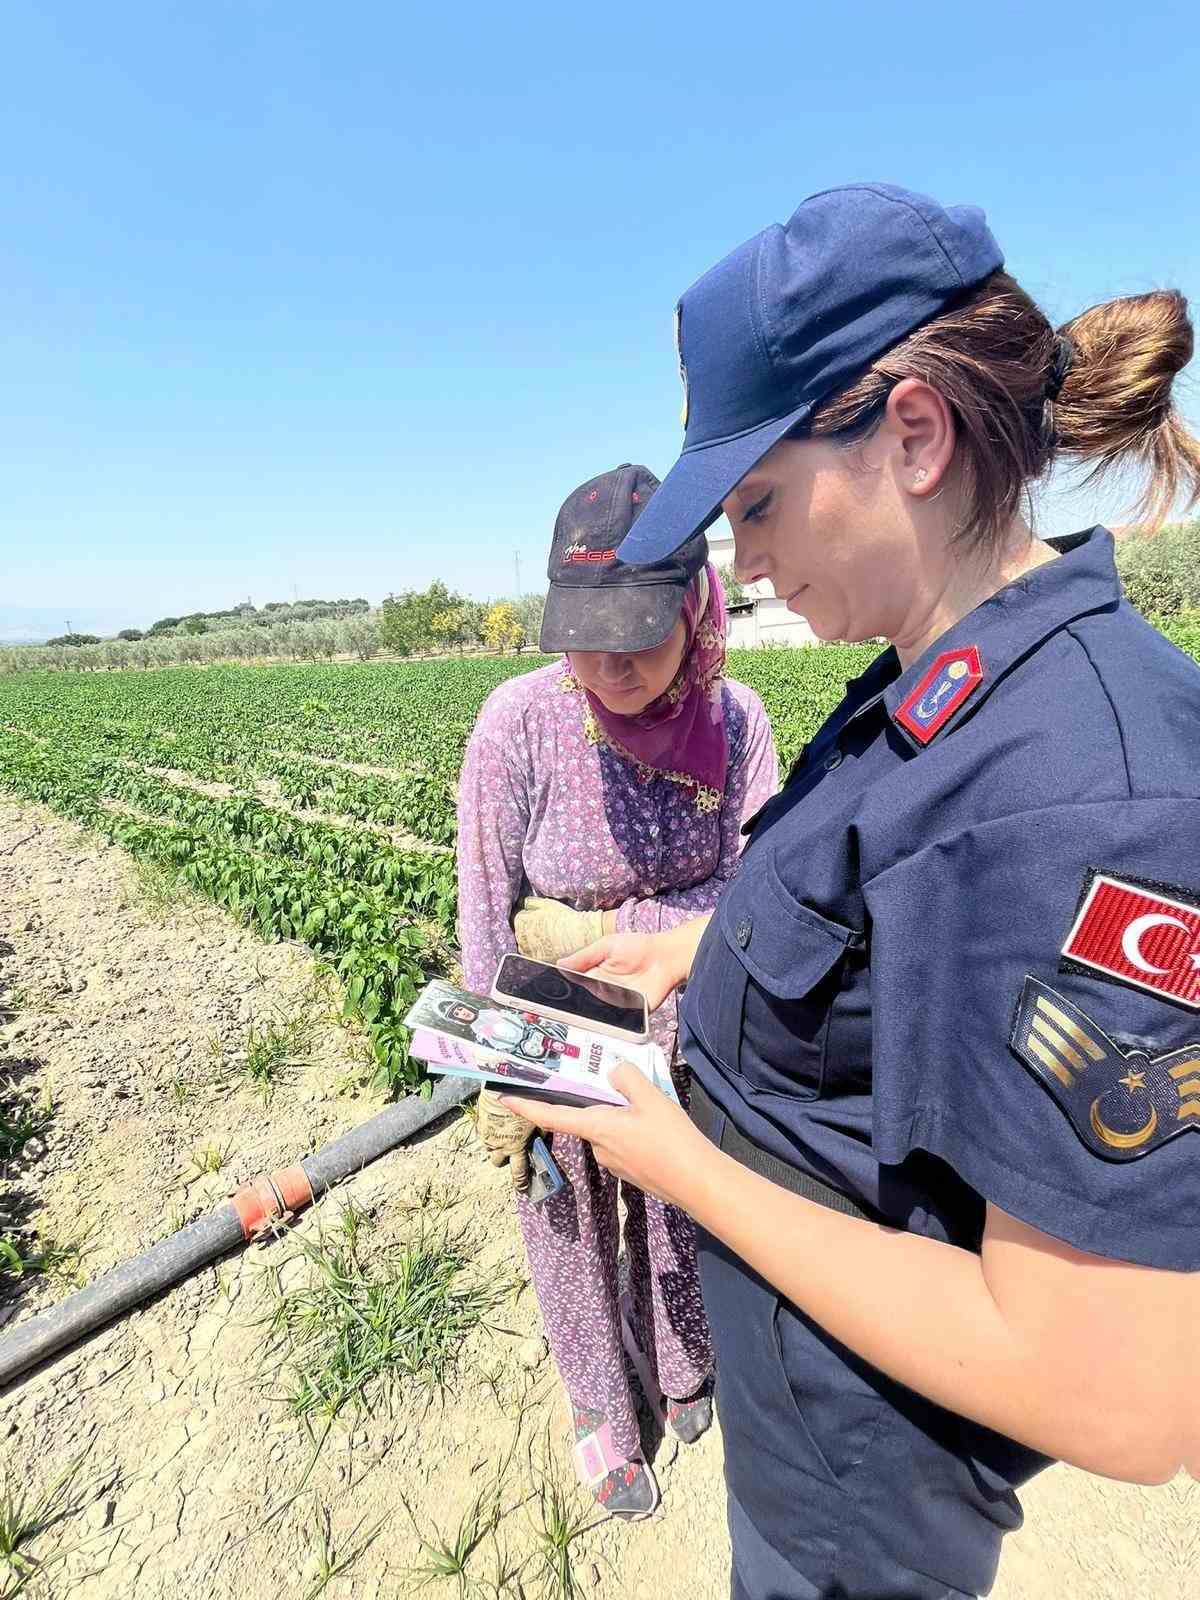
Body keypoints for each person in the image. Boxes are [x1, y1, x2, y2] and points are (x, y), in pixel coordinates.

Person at [500, 185, 1200, 1597]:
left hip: (862, 1489)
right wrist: (702, 948)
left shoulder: (1092, 787)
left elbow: (1125, 1397)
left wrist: (679, 1162)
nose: (741, 561)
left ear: (916, 437)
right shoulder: (937, 689)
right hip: (807, 1403)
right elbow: (903, 936)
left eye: (757, 503)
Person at [456, 463, 778, 1518]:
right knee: (568, 1213)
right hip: (555, 1025)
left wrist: (607, 929)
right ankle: (600, 1405)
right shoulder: (519, 724)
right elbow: (484, 903)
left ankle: (683, 1366)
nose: (611, 662)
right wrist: (493, 1063)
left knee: (680, 1198)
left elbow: (760, 889)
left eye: (638, 630)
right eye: (585, 633)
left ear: (695, 605)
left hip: (690, 1019)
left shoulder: (736, 727)